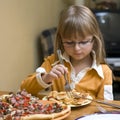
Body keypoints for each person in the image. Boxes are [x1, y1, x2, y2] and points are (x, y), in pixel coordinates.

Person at [20, 5, 113, 100]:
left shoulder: (104, 72)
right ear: (61, 40)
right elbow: (24, 89)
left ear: (94, 39)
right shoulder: (53, 62)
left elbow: (106, 108)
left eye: (83, 42)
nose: (77, 48)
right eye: (69, 42)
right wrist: (46, 78)